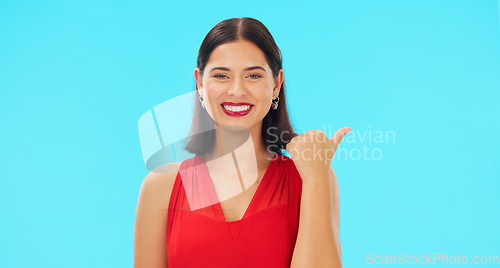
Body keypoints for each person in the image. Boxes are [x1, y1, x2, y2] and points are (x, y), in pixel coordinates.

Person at [133, 17, 350, 268]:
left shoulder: (312, 179)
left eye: (253, 75)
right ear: (200, 83)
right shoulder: (161, 187)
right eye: (222, 75)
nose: (237, 90)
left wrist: (316, 180)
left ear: (276, 84)